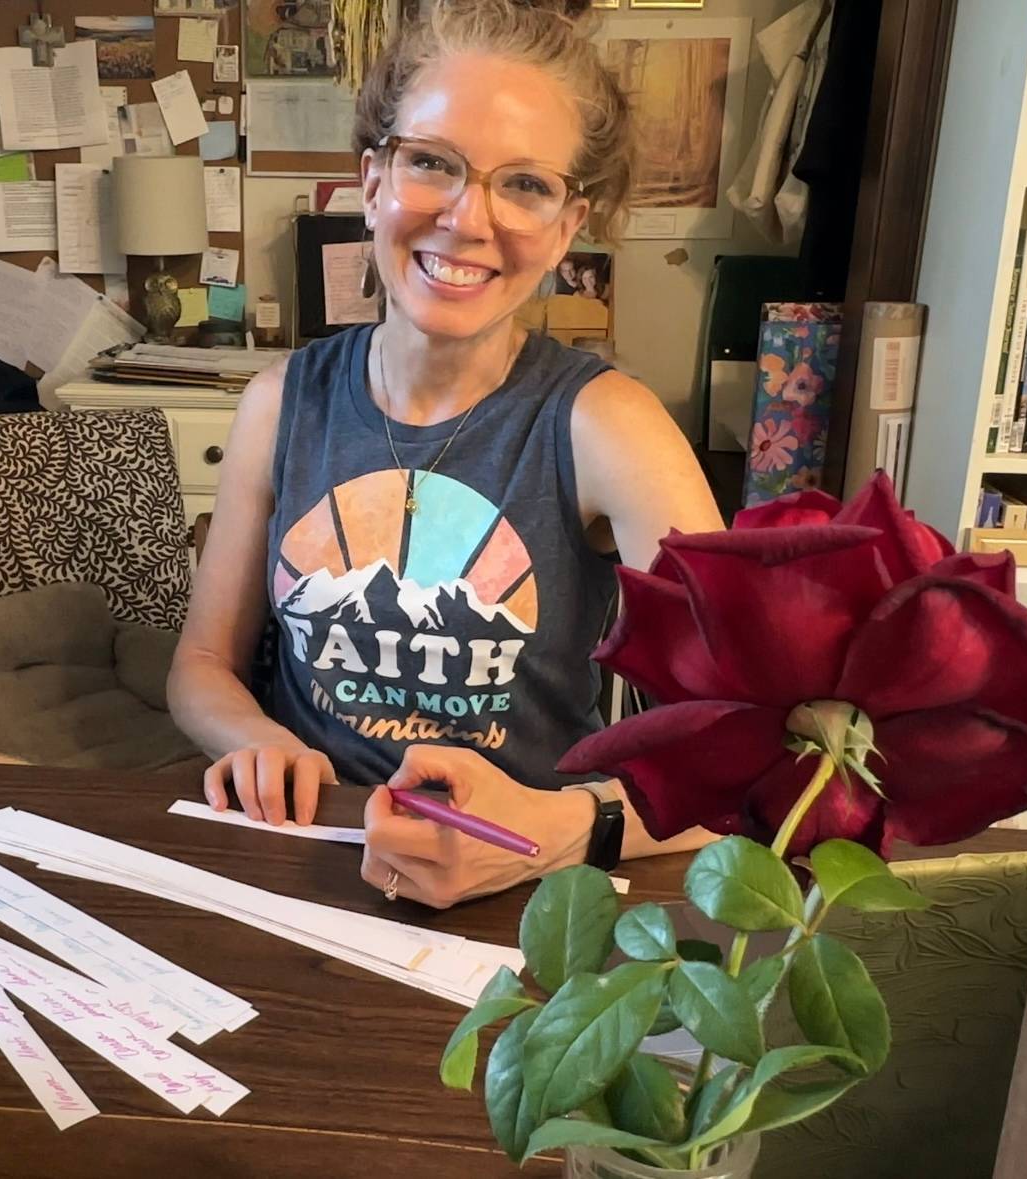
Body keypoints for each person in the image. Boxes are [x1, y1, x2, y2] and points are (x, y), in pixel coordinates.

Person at [168, 0, 723, 909]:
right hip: (308, 855)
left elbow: (737, 752)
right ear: (372, 179)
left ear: (567, 223)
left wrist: (562, 829)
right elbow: (201, 665)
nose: (468, 219)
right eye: (431, 162)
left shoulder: (607, 426)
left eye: (526, 185)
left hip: (527, 882)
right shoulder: (280, 402)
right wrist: (255, 740)